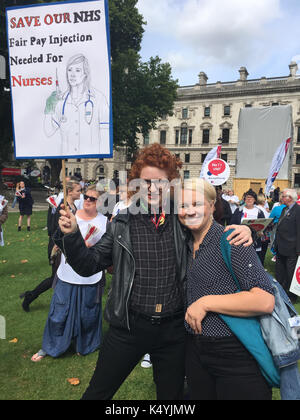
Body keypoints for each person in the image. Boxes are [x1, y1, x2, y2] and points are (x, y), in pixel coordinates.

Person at [55, 143, 253, 400]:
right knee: (97, 394)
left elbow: (209, 225)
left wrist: (245, 230)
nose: (152, 188)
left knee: (171, 397)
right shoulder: (122, 223)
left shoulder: (181, 220)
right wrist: (71, 237)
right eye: (145, 181)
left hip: (173, 331)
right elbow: (88, 266)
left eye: (159, 182)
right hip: (128, 327)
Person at [178, 178, 275, 400]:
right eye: (183, 205)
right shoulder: (182, 243)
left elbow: (264, 300)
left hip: (234, 352)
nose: (189, 211)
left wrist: (206, 302)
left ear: (213, 206)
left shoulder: (231, 239)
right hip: (195, 351)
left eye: (197, 204)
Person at [31, 185, 107, 362]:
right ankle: (50, 347)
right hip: (67, 272)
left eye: (92, 198)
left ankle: (86, 345)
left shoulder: (105, 223)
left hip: (91, 276)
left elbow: (106, 252)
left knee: (88, 314)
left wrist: (92, 248)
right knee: (58, 312)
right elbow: (57, 240)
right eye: (86, 196)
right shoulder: (71, 216)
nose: (87, 200)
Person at [20, 180, 81, 312]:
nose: (80, 193)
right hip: (58, 247)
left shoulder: (73, 206)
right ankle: (30, 296)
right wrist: (57, 247)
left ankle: (68, 304)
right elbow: (55, 229)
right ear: (69, 191)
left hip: (67, 246)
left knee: (65, 276)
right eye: (78, 190)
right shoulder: (63, 207)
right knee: (55, 277)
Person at [44, 53, 110, 156]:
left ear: (85, 74)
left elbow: (105, 136)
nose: (72, 74)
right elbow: (48, 132)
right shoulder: (60, 102)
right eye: (69, 70)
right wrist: (48, 109)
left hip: (91, 157)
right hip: (67, 157)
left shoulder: (99, 99)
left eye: (77, 70)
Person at [274, 188, 300, 304]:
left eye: (283, 196)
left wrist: (298, 249)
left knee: (291, 273)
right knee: (280, 271)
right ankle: (282, 291)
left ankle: (293, 296)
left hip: (292, 248)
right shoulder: (284, 209)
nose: (281, 198)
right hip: (281, 246)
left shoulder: (298, 210)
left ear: (290, 198)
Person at [231, 190, 265, 263]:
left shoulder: (259, 212)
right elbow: (232, 224)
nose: (249, 199)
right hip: (240, 239)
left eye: (251, 198)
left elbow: (264, 225)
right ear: (244, 199)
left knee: (255, 261)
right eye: (247, 198)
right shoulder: (239, 210)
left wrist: (262, 232)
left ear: (255, 200)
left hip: (255, 240)